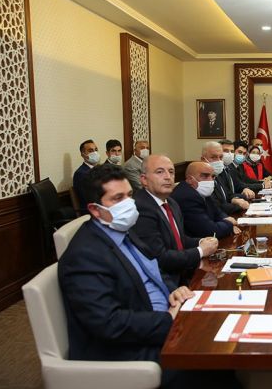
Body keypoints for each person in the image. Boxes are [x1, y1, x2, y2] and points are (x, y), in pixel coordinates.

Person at [58, 163, 195, 376]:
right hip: (128, 350)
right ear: (95, 210)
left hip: (162, 319)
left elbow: (154, 268)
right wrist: (168, 320)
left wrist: (173, 290)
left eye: (129, 195)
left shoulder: (123, 229)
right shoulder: (84, 255)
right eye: (117, 198)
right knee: (212, 363)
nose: (129, 204)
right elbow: (109, 323)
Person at [132, 155, 218, 287]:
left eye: (171, 172)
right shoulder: (141, 208)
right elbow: (160, 258)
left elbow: (178, 239)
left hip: (183, 275)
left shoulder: (171, 202)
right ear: (144, 179)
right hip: (164, 284)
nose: (168, 177)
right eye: (160, 172)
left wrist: (201, 241)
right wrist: (200, 251)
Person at [171, 162, 240, 239]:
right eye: (205, 176)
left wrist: (225, 218)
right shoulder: (187, 196)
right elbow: (210, 231)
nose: (210, 180)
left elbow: (217, 211)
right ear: (190, 179)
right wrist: (229, 225)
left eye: (213, 176)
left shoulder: (201, 191)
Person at [201, 141, 249, 215]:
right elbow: (216, 207)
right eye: (213, 157)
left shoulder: (217, 174)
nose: (218, 161)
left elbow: (228, 194)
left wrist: (234, 199)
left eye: (220, 157)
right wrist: (240, 206)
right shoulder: (201, 181)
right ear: (203, 159)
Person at [72, 139, 100, 213]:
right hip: (91, 211)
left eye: (96, 150)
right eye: (90, 151)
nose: (95, 153)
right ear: (83, 154)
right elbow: (89, 198)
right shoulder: (81, 173)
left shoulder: (99, 169)